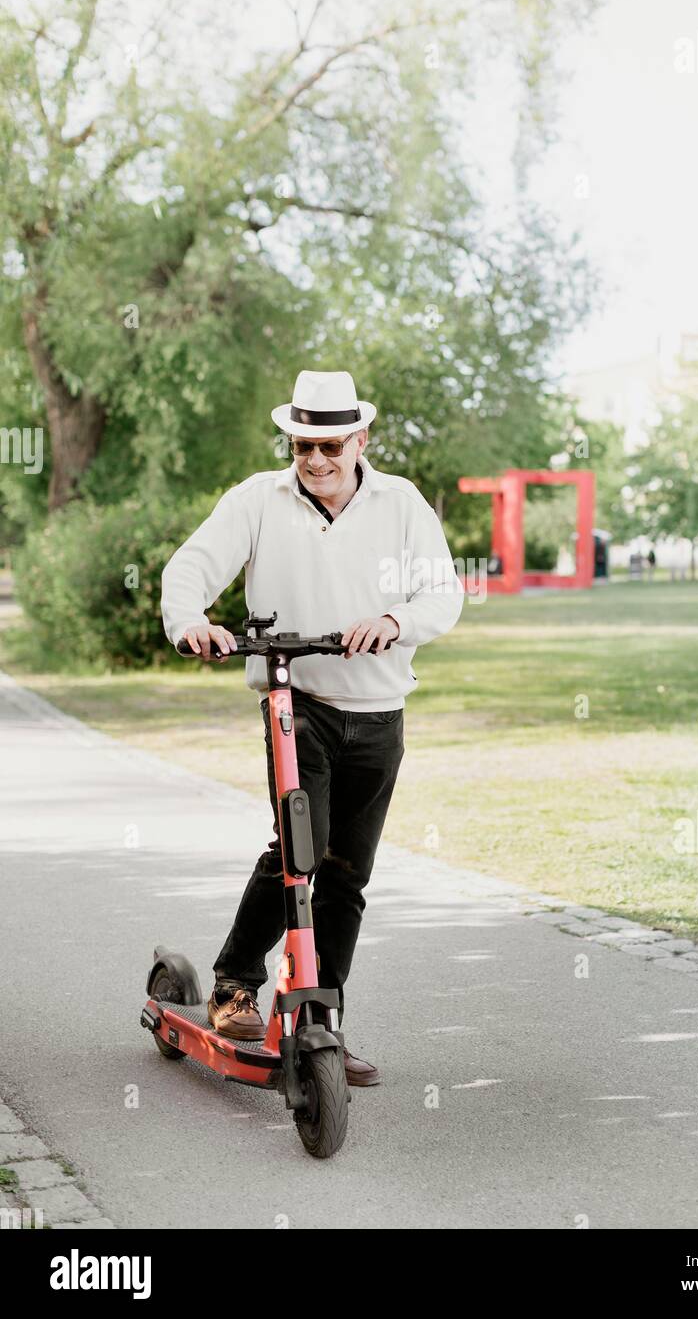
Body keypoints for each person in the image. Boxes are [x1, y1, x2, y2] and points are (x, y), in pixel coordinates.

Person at [160, 370, 464, 1085]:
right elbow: (191, 567)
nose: (316, 460)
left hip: (380, 714)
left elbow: (443, 592)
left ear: (361, 439)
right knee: (303, 849)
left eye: (330, 445)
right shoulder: (258, 501)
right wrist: (191, 622)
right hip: (300, 706)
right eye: (303, 446)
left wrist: (396, 621)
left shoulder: (401, 505)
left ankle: (320, 1024)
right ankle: (236, 983)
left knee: (346, 876)